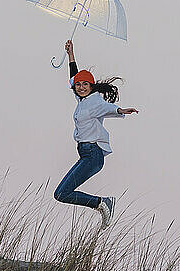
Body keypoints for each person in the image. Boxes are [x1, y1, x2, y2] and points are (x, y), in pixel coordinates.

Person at [53, 40, 138, 229]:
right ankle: (101, 203)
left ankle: (102, 203)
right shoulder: (81, 100)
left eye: (85, 84)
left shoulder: (94, 102)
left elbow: (107, 107)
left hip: (93, 155)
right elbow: (73, 76)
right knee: (60, 194)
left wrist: (121, 110)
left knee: (62, 193)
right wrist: (71, 54)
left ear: (92, 86)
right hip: (85, 154)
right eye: (79, 85)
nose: (81, 87)